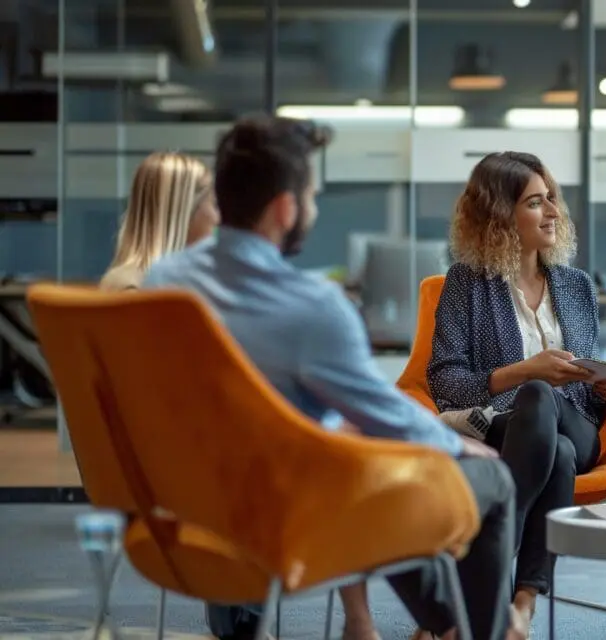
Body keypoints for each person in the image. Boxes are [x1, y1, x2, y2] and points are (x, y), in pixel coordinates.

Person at [143, 115, 518, 640]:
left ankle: (449, 625)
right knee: (493, 479)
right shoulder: (312, 307)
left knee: (370, 459)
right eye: (313, 196)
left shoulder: (163, 282)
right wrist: (459, 447)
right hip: (290, 523)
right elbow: (390, 419)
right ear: (286, 209)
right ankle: (476, 630)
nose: (313, 209)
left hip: (180, 507)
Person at [429, 151, 606, 635]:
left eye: (552, 200)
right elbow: (445, 382)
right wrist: (522, 372)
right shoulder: (466, 285)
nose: (554, 213)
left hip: (578, 426)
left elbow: (585, 380)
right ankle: (522, 605)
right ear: (500, 217)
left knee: (547, 408)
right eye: (536, 203)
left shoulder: (577, 286)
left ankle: (482, 564)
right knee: (552, 450)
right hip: (509, 433)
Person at [100, 151, 219, 291]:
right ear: (184, 212)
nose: (219, 218)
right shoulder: (133, 289)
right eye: (215, 205)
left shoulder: (181, 284)